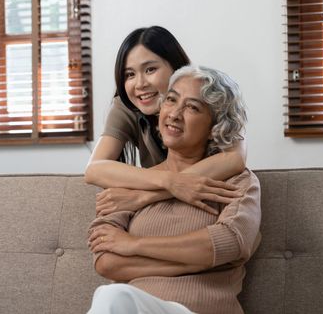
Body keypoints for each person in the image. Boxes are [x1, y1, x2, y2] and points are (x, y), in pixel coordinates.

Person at [87, 65, 261, 314]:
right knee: (113, 297)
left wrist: (134, 245)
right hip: (134, 307)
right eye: (171, 100)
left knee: (113, 297)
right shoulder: (130, 183)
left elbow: (230, 243)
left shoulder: (237, 181)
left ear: (216, 126)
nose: (175, 114)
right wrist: (195, 262)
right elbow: (106, 262)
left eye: (192, 107)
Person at [84, 26, 247, 217]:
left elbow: (235, 159)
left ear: (176, 67)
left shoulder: (211, 92)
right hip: (158, 212)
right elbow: (94, 169)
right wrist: (169, 181)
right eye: (129, 74)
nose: (140, 84)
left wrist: (142, 198)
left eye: (150, 69)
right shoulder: (125, 107)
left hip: (204, 205)